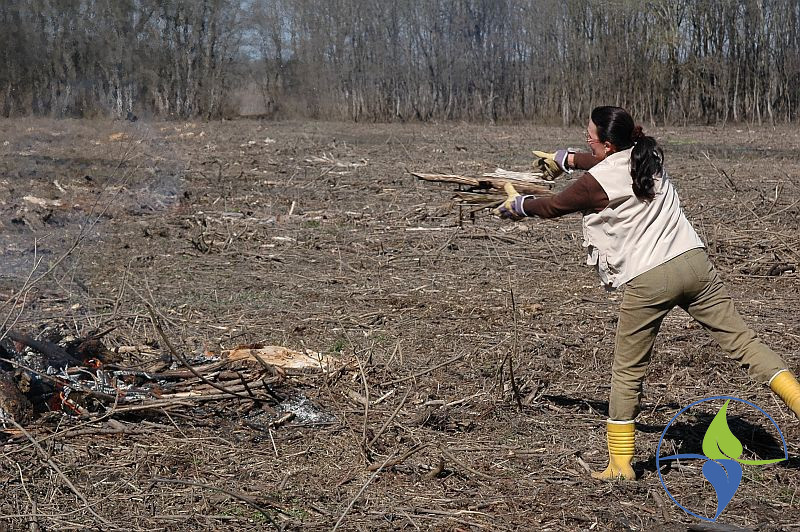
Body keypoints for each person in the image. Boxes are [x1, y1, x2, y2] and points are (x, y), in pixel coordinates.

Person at [495, 105, 800, 480]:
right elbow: (608, 160)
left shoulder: (595, 184)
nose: (586, 139)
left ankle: (620, 465)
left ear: (608, 144)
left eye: (589, 136)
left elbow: (554, 205)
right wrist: (567, 159)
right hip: (694, 263)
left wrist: (519, 205)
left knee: (628, 370)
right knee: (744, 343)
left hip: (650, 277)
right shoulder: (647, 157)